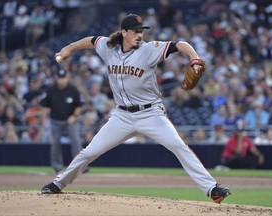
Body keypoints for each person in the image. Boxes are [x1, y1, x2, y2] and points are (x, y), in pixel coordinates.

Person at [41, 13, 230, 204]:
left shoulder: (148, 50)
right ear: (124, 32)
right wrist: (69, 48)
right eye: (136, 31)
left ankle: (211, 188)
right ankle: (59, 183)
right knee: (89, 152)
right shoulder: (109, 48)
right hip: (121, 116)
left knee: (178, 146)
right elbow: (91, 40)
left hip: (151, 113)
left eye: (142, 31)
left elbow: (179, 44)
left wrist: (195, 58)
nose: (140, 35)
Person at [40, 69, 87, 174]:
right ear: (56, 79)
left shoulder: (73, 90)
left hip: (70, 121)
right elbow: (44, 106)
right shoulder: (51, 90)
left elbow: (79, 105)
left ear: (67, 78)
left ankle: (80, 167)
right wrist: (44, 121)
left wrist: (74, 116)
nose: (61, 80)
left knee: (76, 142)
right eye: (60, 78)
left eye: (63, 78)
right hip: (55, 121)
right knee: (55, 144)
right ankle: (57, 168)